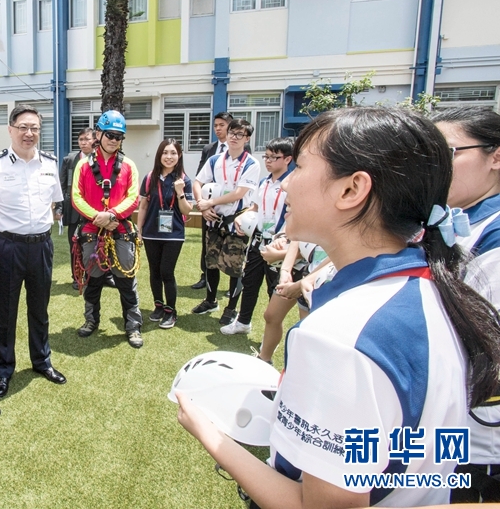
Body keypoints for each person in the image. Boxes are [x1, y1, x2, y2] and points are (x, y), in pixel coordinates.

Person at [177, 106, 500, 508]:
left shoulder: (340, 337)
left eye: (301, 167)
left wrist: (210, 433)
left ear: (352, 190)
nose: (285, 185)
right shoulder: (440, 293)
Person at [433, 106, 500, 503]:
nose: (438, 168)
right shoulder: (455, 221)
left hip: (476, 440)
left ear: (496, 156)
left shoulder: (492, 239)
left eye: (451, 153)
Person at [0, 104, 67, 397]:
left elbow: (53, 203)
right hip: (8, 247)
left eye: (34, 128)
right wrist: (8, 229)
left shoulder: (49, 163)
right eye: (23, 127)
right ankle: (3, 369)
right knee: (6, 312)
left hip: (41, 247)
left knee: (39, 308)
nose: (29, 133)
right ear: (10, 130)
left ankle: (41, 360)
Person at [72, 110, 143, 348]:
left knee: (126, 278)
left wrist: (111, 214)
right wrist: (98, 217)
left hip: (120, 227)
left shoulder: (129, 166)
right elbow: (76, 197)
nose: (114, 140)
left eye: (119, 136)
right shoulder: (83, 166)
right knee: (93, 278)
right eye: (110, 135)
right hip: (93, 228)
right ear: (99, 134)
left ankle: (133, 326)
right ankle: (91, 321)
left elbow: (133, 198)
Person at [220, 137, 293, 335]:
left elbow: (296, 213)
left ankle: (271, 332)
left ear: (288, 159)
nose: (268, 161)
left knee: (274, 288)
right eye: (266, 156)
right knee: (250, 281)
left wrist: (285, 236)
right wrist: (242, 217)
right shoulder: (265, 182)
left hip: (278, 244)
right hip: (258, 241)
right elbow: (255, 206)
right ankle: (243, 322)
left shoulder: (293, 183)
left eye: (274, 157)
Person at [191, 118, 260, 325]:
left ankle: (231, 308)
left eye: (239, 134)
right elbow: (197, 181)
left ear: (247, 138)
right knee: (210, 263)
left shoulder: (251, 164)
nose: (234, 137)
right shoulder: (216, 160)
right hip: (213, 219)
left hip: (236, 222)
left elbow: (239, 194)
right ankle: (211, 301)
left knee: (234, 266)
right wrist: (202, 203)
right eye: (232, 133)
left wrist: (209, 201)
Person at [136, 138, 194, 330]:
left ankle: (171, 311)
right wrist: (139, 229)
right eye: (165, 153)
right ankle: (158, 305)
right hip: (152, 233)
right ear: (159, 155)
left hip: (173, 235)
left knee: (166, 272)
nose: (169, 157)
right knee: (154, 271)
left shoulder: (183, 180)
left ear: (179, 156)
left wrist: (180, 193)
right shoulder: (150, 177)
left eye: (173, 153)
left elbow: (186, 211)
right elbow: (143, 206)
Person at [191, 111, 237, 290]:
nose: (218, 129)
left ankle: (232, 283)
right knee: (207, 240)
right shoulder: (208, 149)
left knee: (232, 243)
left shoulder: (240, 151)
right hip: (208, 205)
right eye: (216, 125)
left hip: (230, 205)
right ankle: (206, 276)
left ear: (230, 127)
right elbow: (199, 177)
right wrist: (202, 204)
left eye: (222, 125)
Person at [60, 127, 95, 288]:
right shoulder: (70, 159)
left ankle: (92, 275)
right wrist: (59, 207)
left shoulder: (99, 159)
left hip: (92, 210)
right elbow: (62, 184)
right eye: (81, 139)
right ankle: (76, 277)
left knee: (91, 244)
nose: (83, 142)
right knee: (74, 244)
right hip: (73, 210)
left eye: (87, 139)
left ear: (95, 140)